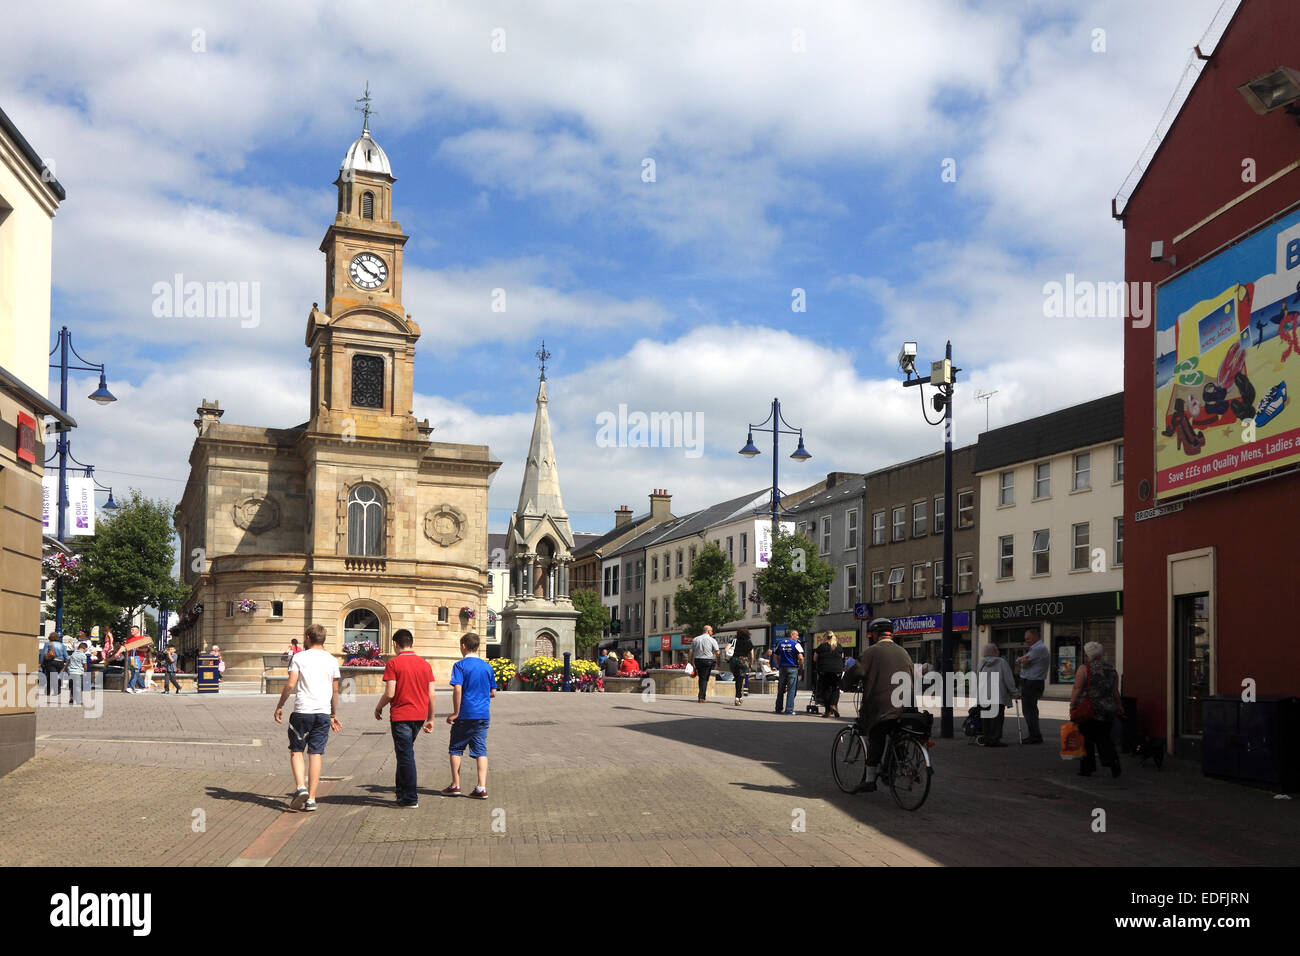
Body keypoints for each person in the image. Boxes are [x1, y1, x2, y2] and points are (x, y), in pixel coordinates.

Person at [274, 624, 342, 812]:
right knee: (316, 753)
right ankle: (311, 799)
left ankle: (300, 787)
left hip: (302, 711)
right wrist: (333, 713)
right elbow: (335, 690)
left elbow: (290, 684)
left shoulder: (299, 657)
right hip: (322, 712)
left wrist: (280, 706)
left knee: (296, 750)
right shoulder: (331, 660)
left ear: (307, 637)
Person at [848, 618, 915, 792]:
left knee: (876, 735)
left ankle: (870, 780)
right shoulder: (904, 652)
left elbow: (856, 671)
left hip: (883, 706)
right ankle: (895, 765)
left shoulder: (872, 652)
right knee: (896, 733)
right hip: (906, 707)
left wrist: (844, 685)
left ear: (875, 635)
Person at [374, 628, 435, 808]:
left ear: (395, 644)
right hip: (419, 716)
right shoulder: (425, 665)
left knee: (406, 755)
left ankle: (410, 797)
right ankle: (400, 792)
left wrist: (378, 707)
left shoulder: (393, 664)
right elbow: (432, 694)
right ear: (412, 643)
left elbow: (390, 693)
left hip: (401, 716)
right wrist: (431, 718)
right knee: (404, 753)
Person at [443, 632, 497, 800]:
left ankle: (456, 785)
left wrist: (456, 712)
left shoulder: (460, 666)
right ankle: (481, 787)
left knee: (456, 749)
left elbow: (457, 689)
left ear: (464, 646)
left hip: (465, 714)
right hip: (482, 714)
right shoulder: (487, 666)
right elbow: (493, 692)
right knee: (481, 750)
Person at [1070, 642, 1124, 778]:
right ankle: (1112, 762)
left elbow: (1077, 688)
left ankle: (1087, 768)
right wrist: (1119, 706)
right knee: (1104, 738)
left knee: (1086, 738)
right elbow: (1115, 691)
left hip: (1089, 709)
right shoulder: (1111, 669)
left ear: (1087, 654)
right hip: (1107, 709)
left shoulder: (1084, 668)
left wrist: (1072, 704)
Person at [976, 644, 1017, 747]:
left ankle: (987, 738)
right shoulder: (1002, 662)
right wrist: (1014, 692)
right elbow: (1008, 679)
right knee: (997, 719)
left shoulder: (981, 663)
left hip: (983, 696)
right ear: (994, 652)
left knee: (986, 719)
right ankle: (994, 739)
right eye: (997, 650)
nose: (998, 652)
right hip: (997, 696)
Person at [1015, 629, 1048, 744]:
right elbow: (1023, 660)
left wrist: (1020, 660)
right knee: (1031, 710)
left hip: (1032, 682)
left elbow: (1023, 661)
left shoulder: (1038, 649)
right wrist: (1021, 660)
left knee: (1029, 710)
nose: (1026, 641)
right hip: (1032, 682)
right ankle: (1034, 734)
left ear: (1035, 637)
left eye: (1028, 638)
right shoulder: (1036, 648)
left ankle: (1035, 736)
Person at [771, 629, 804, 715]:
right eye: (796, 635)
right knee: (791, 689)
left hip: (782, 668)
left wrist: (778, 665)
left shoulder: (780, 643)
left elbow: (775, 655)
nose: (798, 637)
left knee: (781, 689)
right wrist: (800, 666)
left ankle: (778, 708)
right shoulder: (796, 644)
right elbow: (800, 657)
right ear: (792, 635)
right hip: (792, 668)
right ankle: (789, 710)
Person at [813, 632, 845, 718]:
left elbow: (815, 658)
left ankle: (827, 711)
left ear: (825, 638)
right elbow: (842, 657)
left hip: (824, 670)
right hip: (837, 670)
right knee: (836, 688)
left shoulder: (821, 646)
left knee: (825, 689)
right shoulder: (839, 646)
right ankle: (833, 705)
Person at [690, 625, 719, 702]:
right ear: (708, 631)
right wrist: (718, 661)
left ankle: (701, 695)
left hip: (697, 660)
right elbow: (717, 651)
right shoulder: (712, 640)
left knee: (701, 678)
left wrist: (690, 662)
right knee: (704, 679)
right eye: (711, 631)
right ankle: (702, 697)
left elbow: (691, 651)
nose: (712, 632)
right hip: (707, 660)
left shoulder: (695, 639)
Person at [727, 627, 755, 706]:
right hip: (744, 661)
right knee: (740, 679)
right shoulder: (749, 642)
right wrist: (751, 664)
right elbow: (752, 655)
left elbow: (726, 649)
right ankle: (738, 697)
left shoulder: (733, 641)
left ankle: (738, 696)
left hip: (734, 661)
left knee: (737, 679)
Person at [42, 632, 69, 697]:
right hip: (60, 662)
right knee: (54, 676)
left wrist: (41, 662)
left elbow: (43, 654)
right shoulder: (62, 645)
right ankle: (49, 691)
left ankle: (55, 690)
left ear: (50, 637)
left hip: (51, 662)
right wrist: (66, 663)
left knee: (51, 676)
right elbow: (66, 656)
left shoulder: (48, 644)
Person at [63, 642, 88, 706]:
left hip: (71, 673)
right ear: (84, 648)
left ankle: (71, 698)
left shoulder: (73, 654)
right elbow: (85, 665)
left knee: (72, 686)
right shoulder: (83, 655)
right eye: (86, 649)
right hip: (79, 673)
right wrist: (85, 671)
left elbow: (68, 662)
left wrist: (64, 669)